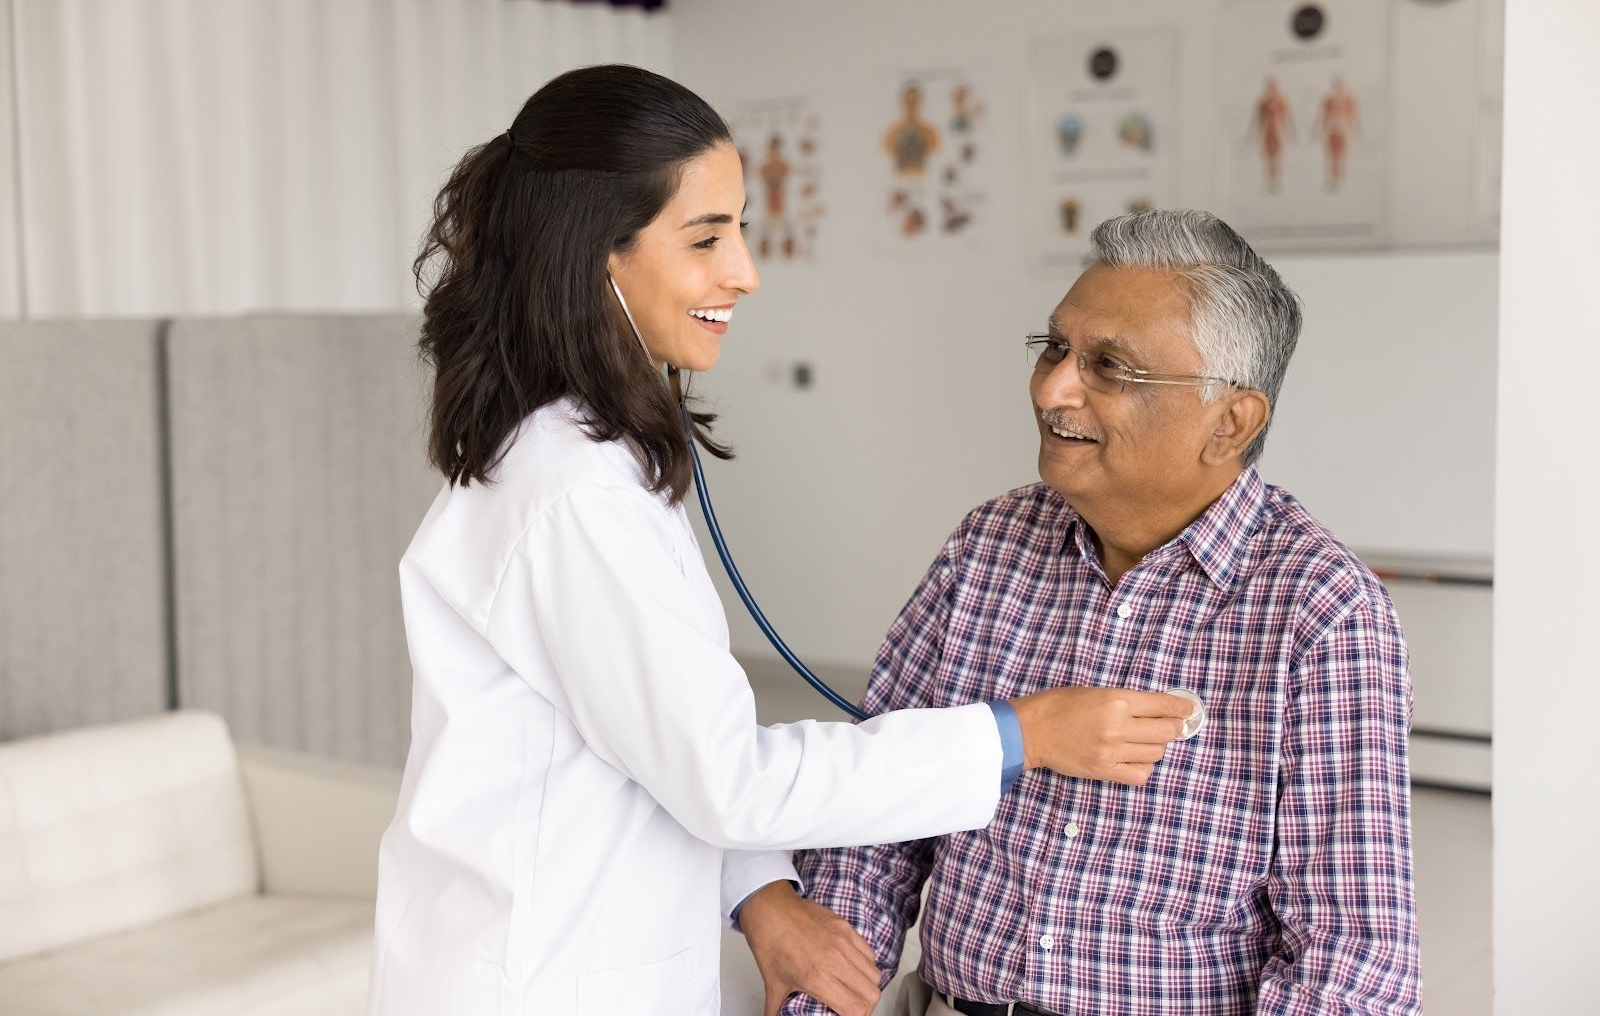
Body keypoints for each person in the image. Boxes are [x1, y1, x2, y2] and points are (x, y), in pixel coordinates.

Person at [364, 66, 1194, 1016]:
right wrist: (1026, 733)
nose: (745, 270)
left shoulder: (588, 463)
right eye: (708, 236)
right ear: (600, 254)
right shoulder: (572, 494)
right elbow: (726, 777)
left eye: (742, 228)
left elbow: (663, 743)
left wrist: (760, 894)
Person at [739, 209, 1421, 1015]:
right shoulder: (988, 545)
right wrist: (820, 1001)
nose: (1053, 388)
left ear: (1230, 422)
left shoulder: (1323, 612)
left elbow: (1353, 959)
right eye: (1056, 348)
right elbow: (874, 824)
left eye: (1110, 366)